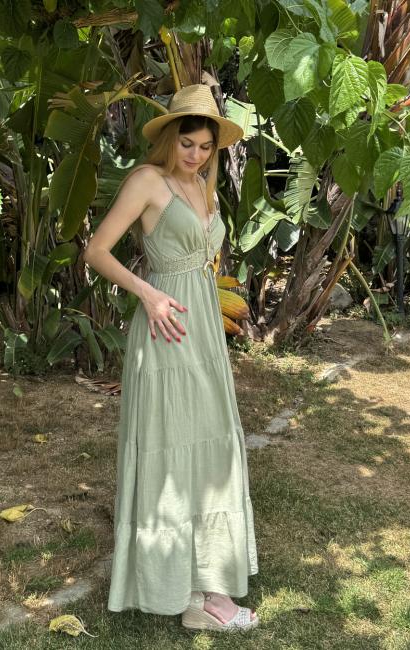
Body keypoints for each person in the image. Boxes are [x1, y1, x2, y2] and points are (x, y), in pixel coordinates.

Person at [83, 83, 259, 632]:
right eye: (188, 144)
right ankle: (189, 590)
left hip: (202, 327)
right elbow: (96, 250)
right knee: (173, 446)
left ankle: (205, 585)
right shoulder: (147, 181)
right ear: (169, 139)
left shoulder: (202, 185)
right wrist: (149, 293)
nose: (196, 155)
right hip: (165, 328)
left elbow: (204, 256)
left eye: (206, 147)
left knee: (211, 447)